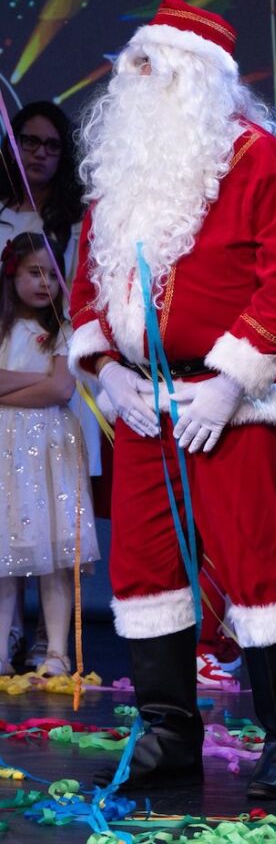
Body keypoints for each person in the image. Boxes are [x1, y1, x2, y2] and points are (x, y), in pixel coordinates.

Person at [68, 0, 276, 798]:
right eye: (131, 64)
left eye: (151, 64)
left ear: (195, 76)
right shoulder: (118, 174)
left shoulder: (254, 157)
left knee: (253, 556)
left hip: (226, 403)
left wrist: (230, 382)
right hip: (142, 404)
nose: (133, 76)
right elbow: (85, 291)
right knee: (143, 565)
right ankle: (168, 734)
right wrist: (108, 373)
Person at [0, 232, 99, 676]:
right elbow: (47, 384)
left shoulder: (65, 328)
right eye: (33, 272)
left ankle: (57, 652)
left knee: (55, 555)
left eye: (52, 274)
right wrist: (35, 381)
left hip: (49, 446)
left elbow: (60, 389)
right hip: (5, 447)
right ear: (11, 275)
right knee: (5, 551)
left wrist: (11, 384)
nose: (45, 283)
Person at [0, 102, 84, 279]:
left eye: (52, 146)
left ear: (63, 156)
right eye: (31, 141)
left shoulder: (77, 222)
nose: (40, 153)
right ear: (12, 148)